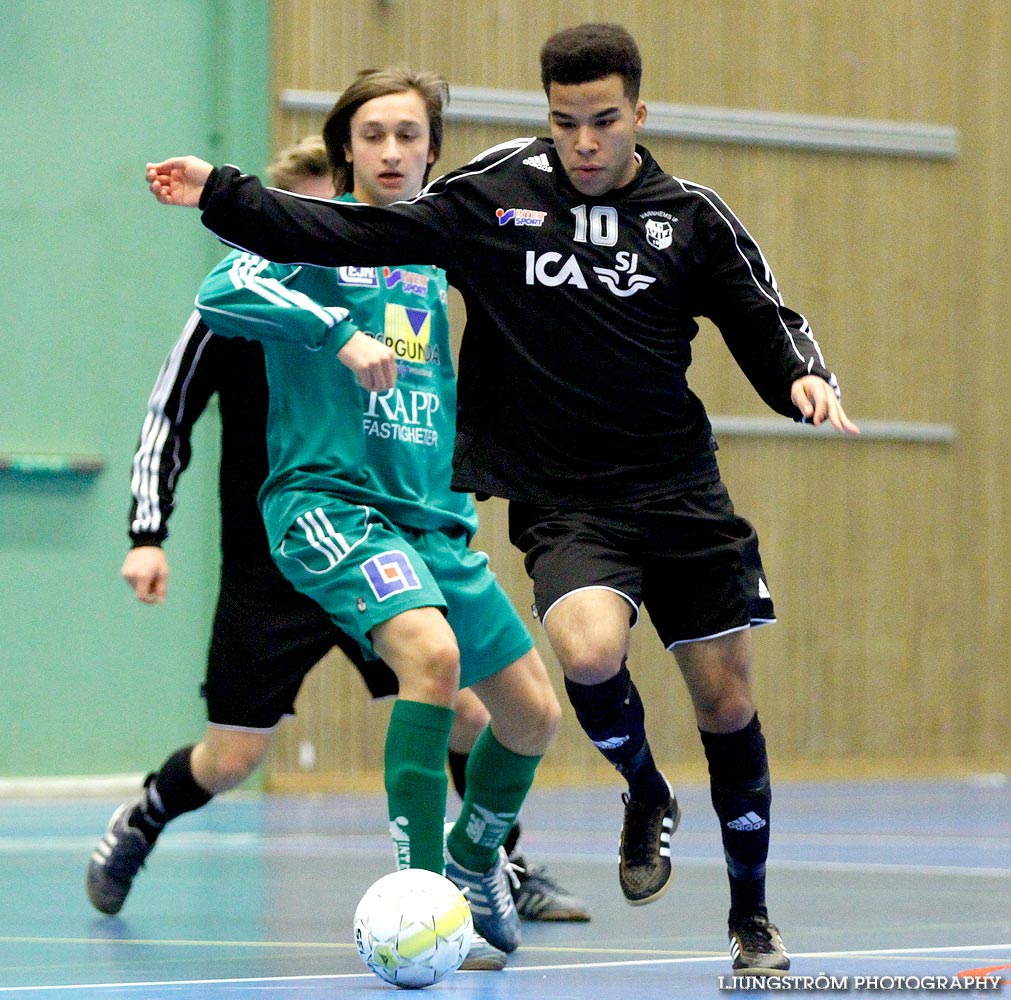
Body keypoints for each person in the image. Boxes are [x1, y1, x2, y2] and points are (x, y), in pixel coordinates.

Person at [145, 24, 859, 976]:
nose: (586, 142)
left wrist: (799, 380)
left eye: (604, 122)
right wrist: (230, 200)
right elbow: (290, 250)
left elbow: (758, 314)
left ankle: (620, 885)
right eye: (566, 123)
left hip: (606, 500)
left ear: (638, 116)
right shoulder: (476, 205)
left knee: (577, 713)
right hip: (426, 509)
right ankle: (443, 878)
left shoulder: (668, 218)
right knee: (539, 659)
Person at [98, 68, 575, 963]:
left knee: (528, 718)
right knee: (412, 671)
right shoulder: (312, 240)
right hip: (329, 516)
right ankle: (424, 895)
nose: (390, 152)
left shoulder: (442, 248)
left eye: (407, 136)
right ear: (346, 148)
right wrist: (334, 332)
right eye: (371, 136)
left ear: (433, 149)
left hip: (432, 526)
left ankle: (478, 862)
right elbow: (220, 293)